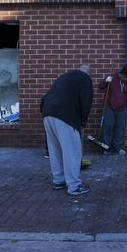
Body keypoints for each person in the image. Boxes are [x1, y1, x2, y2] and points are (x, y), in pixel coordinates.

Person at [41, 65, 93, 196]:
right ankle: (74, 186)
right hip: (66, 117)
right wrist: (83, 120)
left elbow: (44, 98)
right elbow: (86, 100)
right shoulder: (84, 78)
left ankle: (59, 180)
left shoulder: (63, 77)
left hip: (48, 114)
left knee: (55, 150)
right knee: (72, 152)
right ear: (88, 73)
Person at [98, 65, 127, 155]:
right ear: (120, 74)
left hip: (122, 109)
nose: (126, 79)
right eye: (125, 77)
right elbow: (100, 87)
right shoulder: (111, 78)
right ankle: (106, 147)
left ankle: (117, 148)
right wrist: (105, 82)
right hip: (109, 107)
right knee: (108, 127)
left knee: (120, 129)